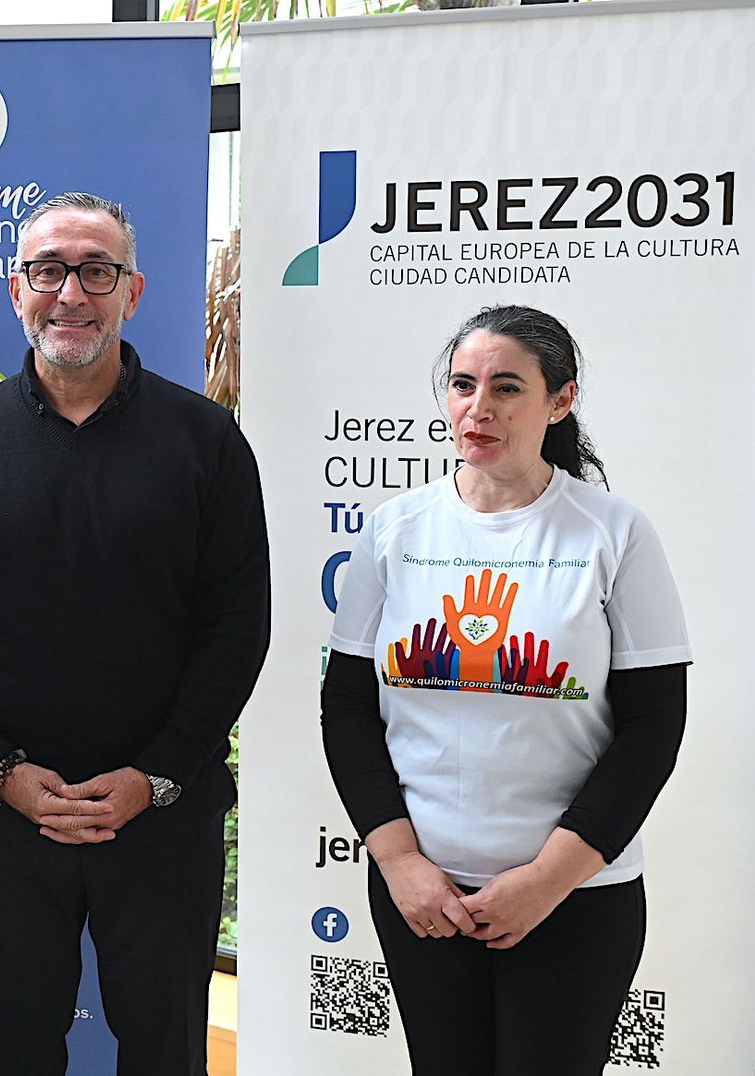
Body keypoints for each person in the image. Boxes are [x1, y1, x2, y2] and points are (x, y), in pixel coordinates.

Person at [0, 192, 270, 1075]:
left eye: (95, 271)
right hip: (3, 814)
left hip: (161, 816)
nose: (71, 292)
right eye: (49, 271)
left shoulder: (206, 440)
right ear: (17, 288)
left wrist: (158, 776)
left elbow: (237, 626)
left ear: (132, 292)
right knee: (18, 1050)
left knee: (166, 1050)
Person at [320, 305, 691, 1075]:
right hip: (425, 897)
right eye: (462, 384)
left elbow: (653, 728)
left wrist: (545, 882)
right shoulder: (396, 531)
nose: (477, 407)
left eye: (507, 387)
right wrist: (399, 864)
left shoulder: (612, 533)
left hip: (574, 899)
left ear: (560, 401)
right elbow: (348, 710)